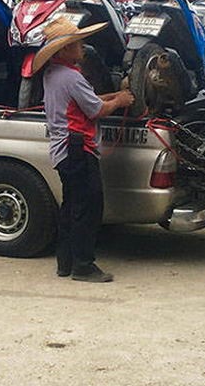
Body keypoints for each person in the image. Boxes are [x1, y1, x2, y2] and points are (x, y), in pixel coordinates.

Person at [33, 18, 135, 283]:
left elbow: (86, 101)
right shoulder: (72, 77)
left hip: (64, 149)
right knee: (88, 207)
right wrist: (120, 100)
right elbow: (95, 110)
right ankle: (83, 265)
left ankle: (65, 261)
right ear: (64, 50)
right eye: (76, 43)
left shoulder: (54, 75)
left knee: (71, 207)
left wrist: (112, 98)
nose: (82, 47)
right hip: (77, 148)